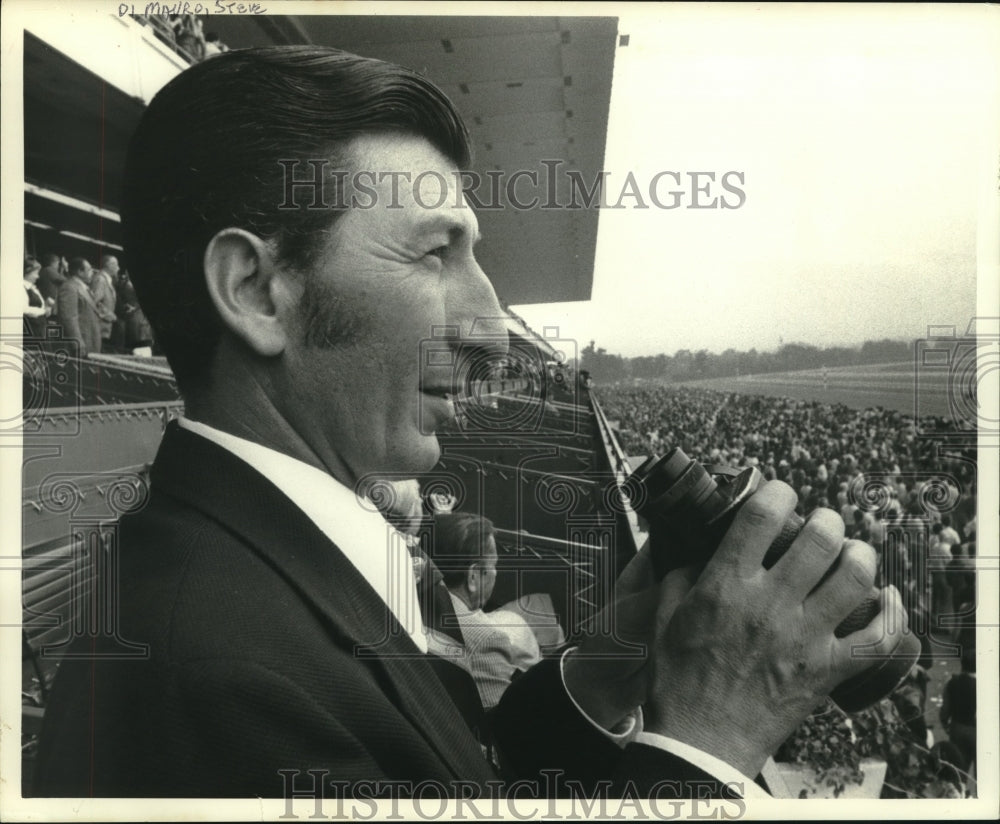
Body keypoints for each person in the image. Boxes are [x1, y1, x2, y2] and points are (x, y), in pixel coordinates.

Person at [33, 46, 907, 799]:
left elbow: (444, 774)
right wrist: (708, 740)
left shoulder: (279, 552)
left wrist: (606, 665)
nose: (492, 329)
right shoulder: (206, 684)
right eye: (434, 254)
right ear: (259, 291)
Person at [429, 512, 543, 710]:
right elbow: (500, 728)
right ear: (473, 577)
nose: (496, 573)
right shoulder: (487, 640)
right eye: (493, 565)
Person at [55, 257, 101, 356]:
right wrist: (78, 343)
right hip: (82, 343)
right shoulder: (69, 287)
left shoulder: (81, 287)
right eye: (89, 270)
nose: (92, 272)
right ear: (80, 272)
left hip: (88, 339)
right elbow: (69, 318)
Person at [90, 254, 119, 352]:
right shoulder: (100, 279)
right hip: (100, 325)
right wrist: (109, 315)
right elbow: (93, 302)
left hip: (103, 325)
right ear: (108, 265)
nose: (118, 267)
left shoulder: (106, 279)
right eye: (115, 264)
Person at [22, 256, 51, 339]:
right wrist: (43, 311)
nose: (37, 276)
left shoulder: (32, 288)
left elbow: (40, 307)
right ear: (27, 272)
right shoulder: (21, 287)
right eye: (36, 273)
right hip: (31, 330)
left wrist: (46, 306)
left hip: (39, 329)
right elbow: (24, 309)